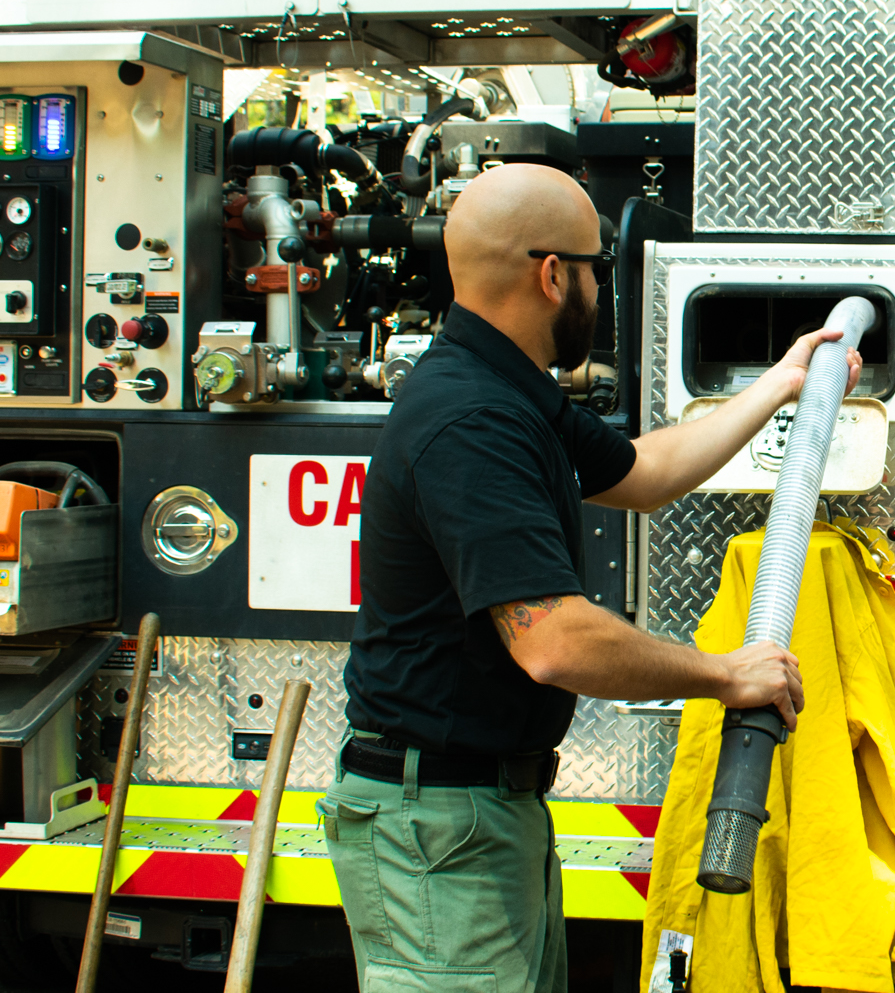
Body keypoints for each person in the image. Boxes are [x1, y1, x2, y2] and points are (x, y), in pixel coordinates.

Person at [326, 161, 858, 993]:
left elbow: (645, 474)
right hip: (437, 827)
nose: (600, 290)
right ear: (551, 275)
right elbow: (553, 641)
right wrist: (724, 676)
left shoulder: (508, 391)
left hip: (480, 812)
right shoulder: (470, 418)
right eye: (598, 268)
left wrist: (780, 385)